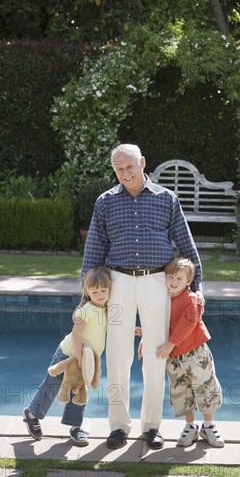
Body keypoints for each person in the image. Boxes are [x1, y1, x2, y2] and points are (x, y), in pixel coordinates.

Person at [81, 143, 202, 450]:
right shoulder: (105, 202)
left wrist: (197, 287)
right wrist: (85, 296)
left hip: (157, 282)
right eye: (118, 169)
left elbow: (185, 245)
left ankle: (151, 427)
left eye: (129, 167)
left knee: (156, 356)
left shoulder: (166, 199)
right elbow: (94, 250)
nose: (125, 174)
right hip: (118, 281)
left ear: (143, 163)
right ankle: (119, 426)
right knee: (119, 356)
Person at [23, 267, 111, 447]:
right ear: (87, 291)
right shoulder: (85, 311)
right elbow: (76, 335)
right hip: (68, 353)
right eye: (95, 292)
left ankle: (75, 427)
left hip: (86, 358)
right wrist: (79, 358)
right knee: (52, 384)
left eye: (104, 290)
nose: (100, 295)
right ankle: (32, 415)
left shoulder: (107, 308)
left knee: (79, 391)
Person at [155, 256, 224, 448]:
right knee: (182, 391)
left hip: (195, 353)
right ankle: (190, 427)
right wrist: (145, 334)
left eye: (179, 278)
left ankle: (208, 425)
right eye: (170, 277)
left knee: (205, 387)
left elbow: (188, 322)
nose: (174, 282)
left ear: (188, 281)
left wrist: (170, 343)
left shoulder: (191, 298)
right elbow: (161, 324)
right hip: (174, 357)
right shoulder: (163, 299)